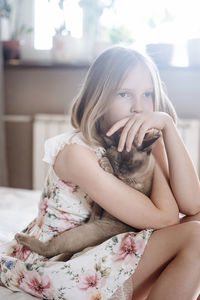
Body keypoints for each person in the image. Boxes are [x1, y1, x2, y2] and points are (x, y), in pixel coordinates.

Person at [0, 46, 200, 300]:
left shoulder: (142, 142)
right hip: (65, 261)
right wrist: (153, 151)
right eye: (125, 94)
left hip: (106, 247)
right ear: (100, 98)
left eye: (148, 94)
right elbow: (166, 219)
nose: (139, 108)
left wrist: (167, 129)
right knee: (195, 237)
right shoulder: (76, 154)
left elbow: (192, 204)